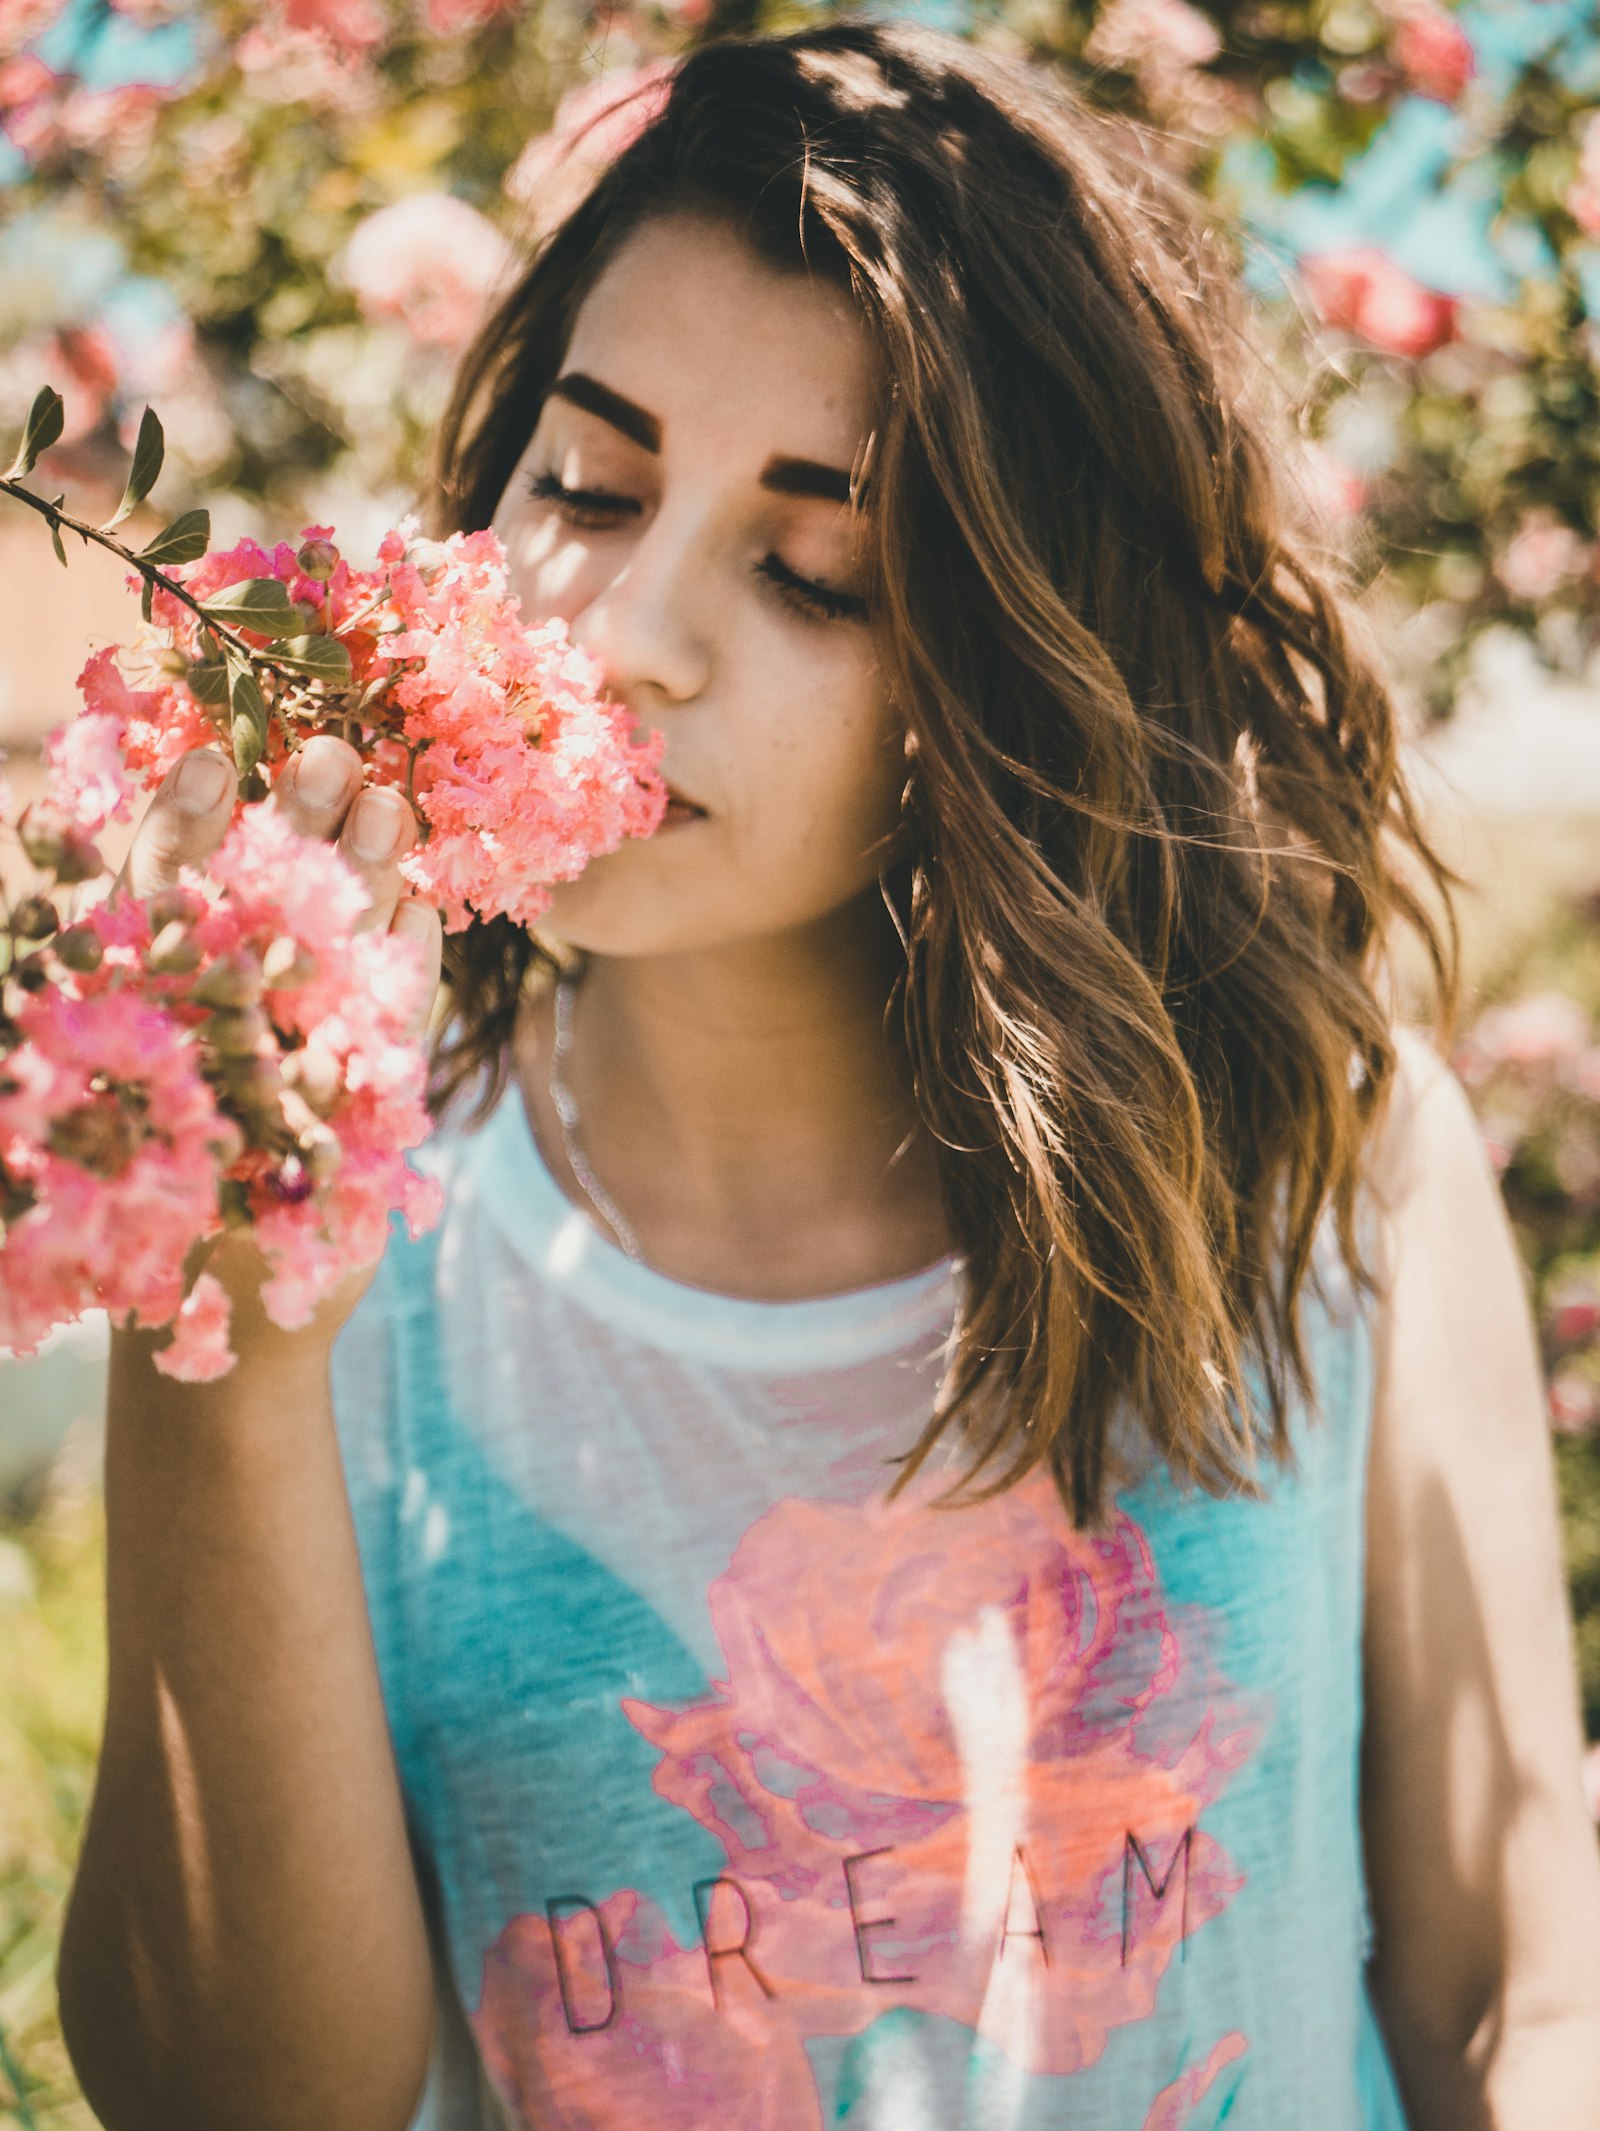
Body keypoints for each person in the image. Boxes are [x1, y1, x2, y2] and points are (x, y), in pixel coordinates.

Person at [55, 20, 1600, 2131]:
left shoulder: (1323, 1164)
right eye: (583, 487)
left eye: (814, 570)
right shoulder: (345, 1261)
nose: (625, 629)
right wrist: (227, 1343)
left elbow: (1515, 1993)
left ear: (1018, 673)